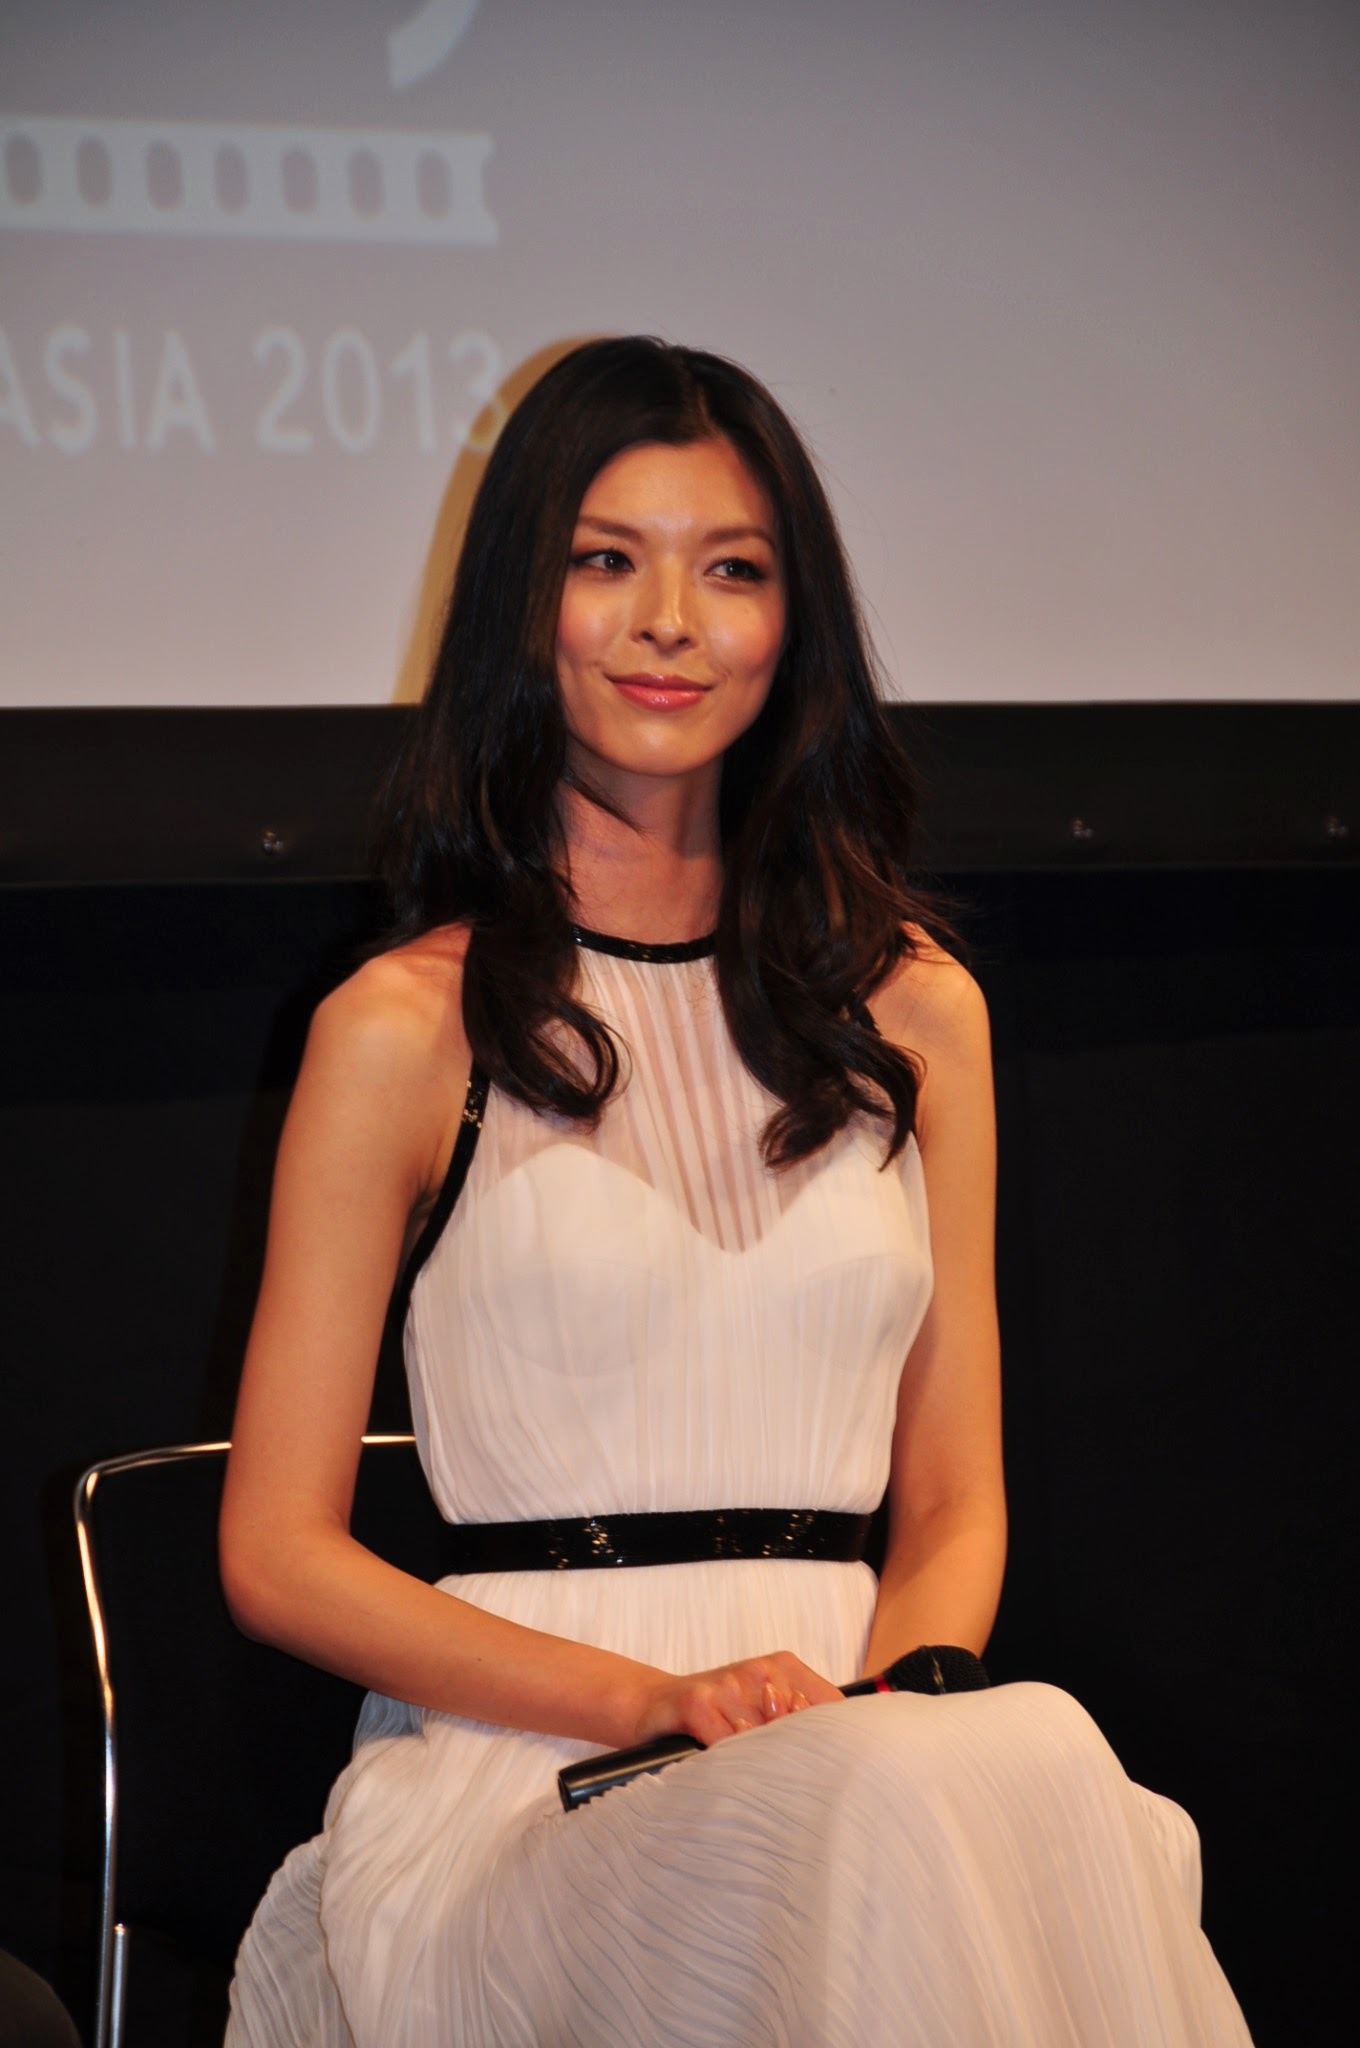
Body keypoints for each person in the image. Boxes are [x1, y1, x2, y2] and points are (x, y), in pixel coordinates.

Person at [220, 337, 1252, 2045]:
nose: (669, 623)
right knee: (905, 1807)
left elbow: (955, 1501)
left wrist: (893, 1696)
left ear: (795, 624)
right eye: (606, 561)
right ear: (523, 605)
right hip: (529, 1787)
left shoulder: (917, 1013)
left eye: (733, 571)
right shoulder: (403, 1029)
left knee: (1026, 1760)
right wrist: (660, 1702)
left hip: (864, 1736)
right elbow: (277, 1555)